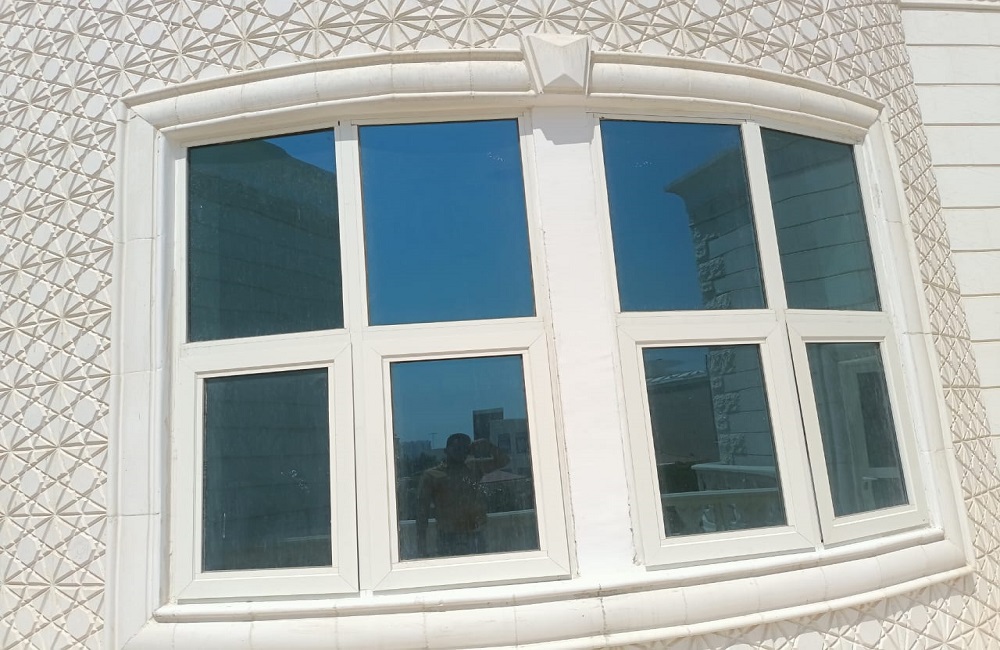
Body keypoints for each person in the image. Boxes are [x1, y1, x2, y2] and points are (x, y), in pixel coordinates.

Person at [415, 433, 510, 558]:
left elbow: (504, 460)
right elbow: (422, 512)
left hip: (475, 533)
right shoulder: (432, 475)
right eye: (457, 448)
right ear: (446, 451)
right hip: (448, 536)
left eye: (465, 449)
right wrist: (421, 548)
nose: (461, 452)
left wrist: (488, 446)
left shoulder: (474, 467)